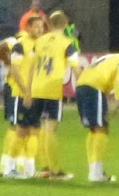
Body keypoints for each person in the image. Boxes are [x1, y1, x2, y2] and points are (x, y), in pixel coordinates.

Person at [76, 44, 119, 182]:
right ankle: (95, 173)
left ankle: (95, 171)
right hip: (94, 87)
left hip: (82, 85)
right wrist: (117, 101)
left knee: (94, 129)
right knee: (101, 128)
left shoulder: (110, 57)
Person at [28, 10, 82, 179]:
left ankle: (44, 166)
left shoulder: (39, 41)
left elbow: (30, 66)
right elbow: (76, 68)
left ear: (49, 25)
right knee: (50, 128)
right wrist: (86, 84)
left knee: (42, 127)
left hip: (36, 87)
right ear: (66, 25)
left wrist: (28, 90)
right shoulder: (67, 43)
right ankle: (55, 170)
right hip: (52, 88)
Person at [1, 13, 45, 178]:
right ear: (28, 28)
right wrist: (26, 91)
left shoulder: (41, 45)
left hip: (37, 94)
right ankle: (9, 168)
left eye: (42, 26)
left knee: (34, 130)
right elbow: (14, 69)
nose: (40, 30)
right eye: (36, 26)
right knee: (21, 130)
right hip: (22, 94)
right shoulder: (20, 45)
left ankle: (29, 168)